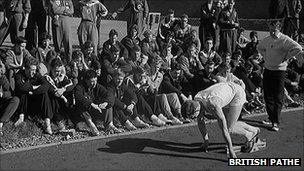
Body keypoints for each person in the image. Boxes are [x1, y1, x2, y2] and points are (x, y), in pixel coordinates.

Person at [257, 19, 303, 131]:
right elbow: (259, 47)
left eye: (274, 30)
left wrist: (286, 57)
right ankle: (271, 117)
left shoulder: (285, 39)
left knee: (278, 96)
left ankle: (275, 122)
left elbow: (298, 48)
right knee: (267, 96)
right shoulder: (267, 40)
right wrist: (265, 56)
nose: (272, 32)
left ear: (279, 29)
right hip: (268, 70)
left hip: (279, 71)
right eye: (270, 30)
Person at [194, 82, 261, 158]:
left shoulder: (213, 105)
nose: (196, 117)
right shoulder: (196, 99)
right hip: (226, 91)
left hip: (237, 94)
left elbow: (225, 130)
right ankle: (254, 130)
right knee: (231, 122)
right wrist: (206, 140)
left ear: (197, 110)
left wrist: (231, 150)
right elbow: (200, 120)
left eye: (194, 116)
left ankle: (249, 134)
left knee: (229, 128)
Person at [74, 69, 121, 136]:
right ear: (86, 80)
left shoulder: (97, 86)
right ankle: (91, 125)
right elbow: (78, 97)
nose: (94, 83)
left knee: (108, 104)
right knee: (82, 106)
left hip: (95, 111)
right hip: (83, 113)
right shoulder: (79, 87)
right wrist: (92, 104)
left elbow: (109, 95)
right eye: (92, 81)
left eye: (96, 81)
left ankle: (109, 125)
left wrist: (106, 103)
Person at [14, 58, 54, 134]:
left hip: (34, 102)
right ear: (26, 68)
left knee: (44, 93)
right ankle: (21, 118)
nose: (33, 72)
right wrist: (33, 87)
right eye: (31, 70)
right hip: (23, 104)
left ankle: (47, 123)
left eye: (35, 70)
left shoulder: (36, 74)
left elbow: (46, 85)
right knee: (23, 92)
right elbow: (21, 87)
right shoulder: (19, 75)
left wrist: (33, 92)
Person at [0, 60, 20, 136]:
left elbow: (10, 92)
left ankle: (0, 124)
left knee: (16, 100)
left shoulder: (2, 78)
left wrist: (2, 94)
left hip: (2, 103)